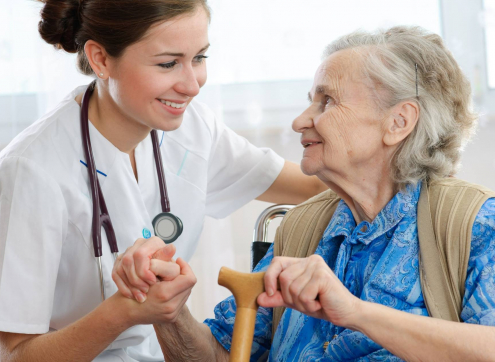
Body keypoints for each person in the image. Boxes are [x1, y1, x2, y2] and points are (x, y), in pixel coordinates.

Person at [0, 0, 327, 361]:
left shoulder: (192, 131)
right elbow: (14, 354)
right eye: (168, 63)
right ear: (100, 59)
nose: (191, 85)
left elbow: (317, 184)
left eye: (199, 57)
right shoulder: (32, 170)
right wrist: (122, 312)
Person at [115, 26, 495, 361]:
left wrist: (354, 312)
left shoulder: (475, 224)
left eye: (326, 101)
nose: (300, 121)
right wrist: (168, 310)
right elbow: (222, 356)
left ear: (398, 122)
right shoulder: (302, 230)